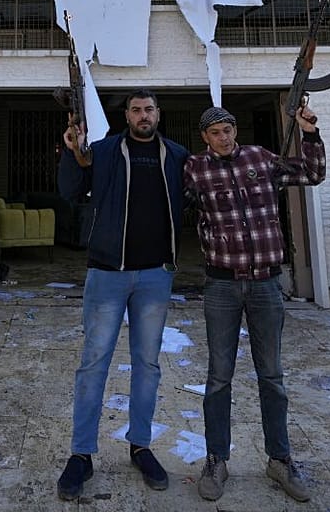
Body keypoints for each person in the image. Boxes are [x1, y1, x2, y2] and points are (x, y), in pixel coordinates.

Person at [182, 104, 327, 503]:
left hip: (265, 284)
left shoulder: (261, 159)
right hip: (222, 286)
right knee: (219, 377)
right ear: (205, 138)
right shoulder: (195, 169)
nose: (223, 137)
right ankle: (216, 459)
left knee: (272, 376)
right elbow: (167, 202)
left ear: (235, 130)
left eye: (228, 129)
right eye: (215, 132)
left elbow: (312, 173)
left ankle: (279, 459)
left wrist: (309, 132)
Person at [55, 89, 190, 501]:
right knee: (93, 364)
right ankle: (81, 455)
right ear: (127, 116)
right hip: (107, 274)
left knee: (148, 364)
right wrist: (70, 153)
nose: (143, 115)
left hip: (155, 275)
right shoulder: (106, 150)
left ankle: (141, 446)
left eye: (149, 109)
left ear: (158, 114)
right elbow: (71, 191)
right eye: (136, 110)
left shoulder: (178, 155)